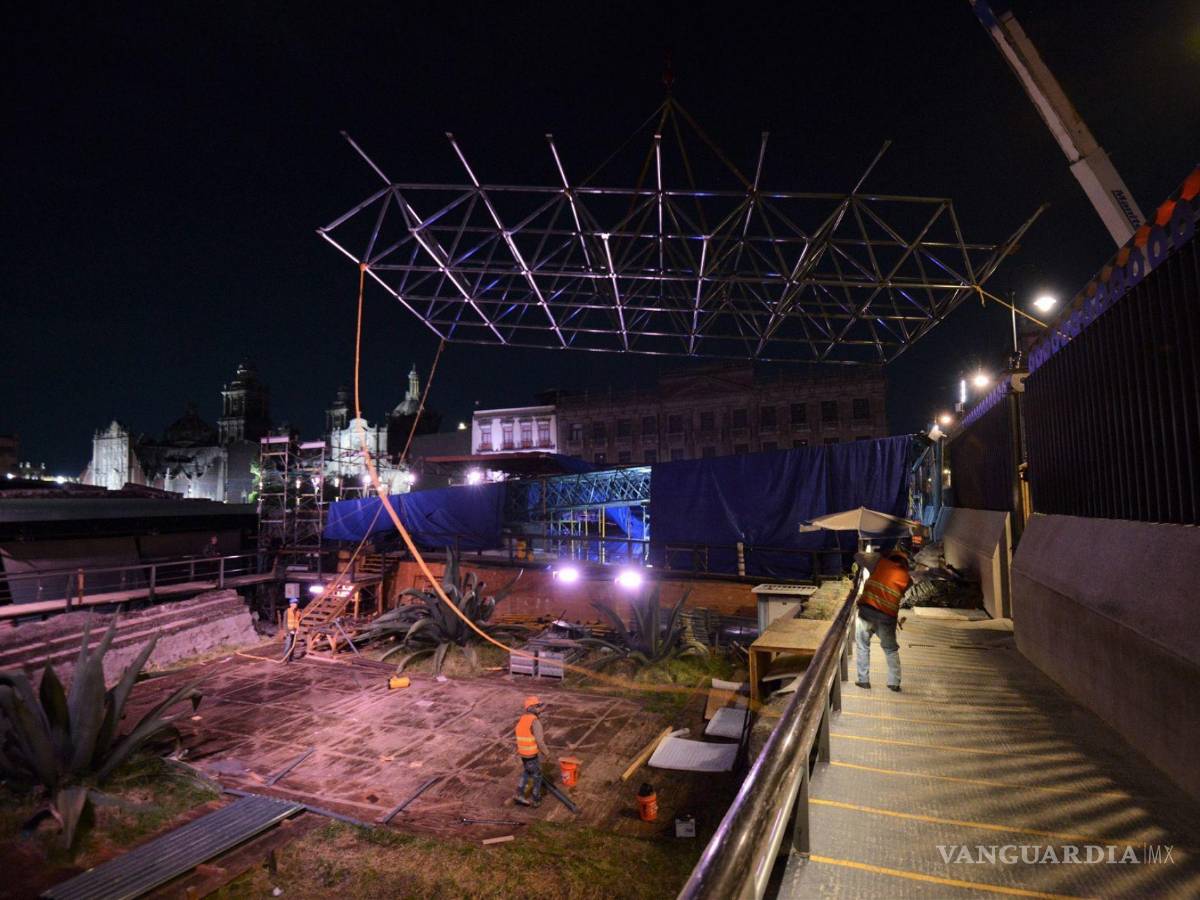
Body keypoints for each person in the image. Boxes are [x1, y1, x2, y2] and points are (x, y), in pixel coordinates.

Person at [855, 546, 912, 692]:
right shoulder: (907, 577)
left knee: (862, 646)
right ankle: (894, 683)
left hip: (866, 611)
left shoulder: (879, 562)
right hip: (887, 617)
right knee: (890, 649)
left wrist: (878, 555)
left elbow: (858, 556)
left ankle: (863, 681)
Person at [513, 696, 552, 807]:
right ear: (533, 708)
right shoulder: (534, 721)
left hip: (523, 754)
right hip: (531, 754)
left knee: (526, 772)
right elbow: (539, 741)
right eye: (539, 706)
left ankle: (519, 794)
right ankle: (536, 799)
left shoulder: (523, 719)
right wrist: (547, 753)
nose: (541, 709)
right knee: (537, 775)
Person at [283, 597, 301, 661]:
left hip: (295, 631)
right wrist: (287, 631)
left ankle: (291, 657)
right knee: (288, 645)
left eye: (296, 603)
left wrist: (297, 630)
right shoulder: (287, 612)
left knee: (293, 645)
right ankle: (285, 658)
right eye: (293, 603)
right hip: (289, 631)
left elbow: (298, 621)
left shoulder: (298, 612)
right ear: (290, 604)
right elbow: (285, 622)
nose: (295, 605)